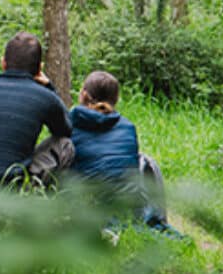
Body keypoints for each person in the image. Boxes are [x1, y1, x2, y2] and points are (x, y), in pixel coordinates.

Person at [0, 32, 73, 185]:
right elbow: (66, 130)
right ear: (39, 69)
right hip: (11, 184)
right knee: (65, 145)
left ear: (3, 63)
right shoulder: (44, 96)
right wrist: (49, 87)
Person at [68, 71, 174, 233]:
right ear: (116, 100)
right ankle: (158, 219)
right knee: (147, 161)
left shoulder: (71, 122)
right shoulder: (128, 127)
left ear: (83, 94)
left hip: (89, 207)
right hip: (128, 211)